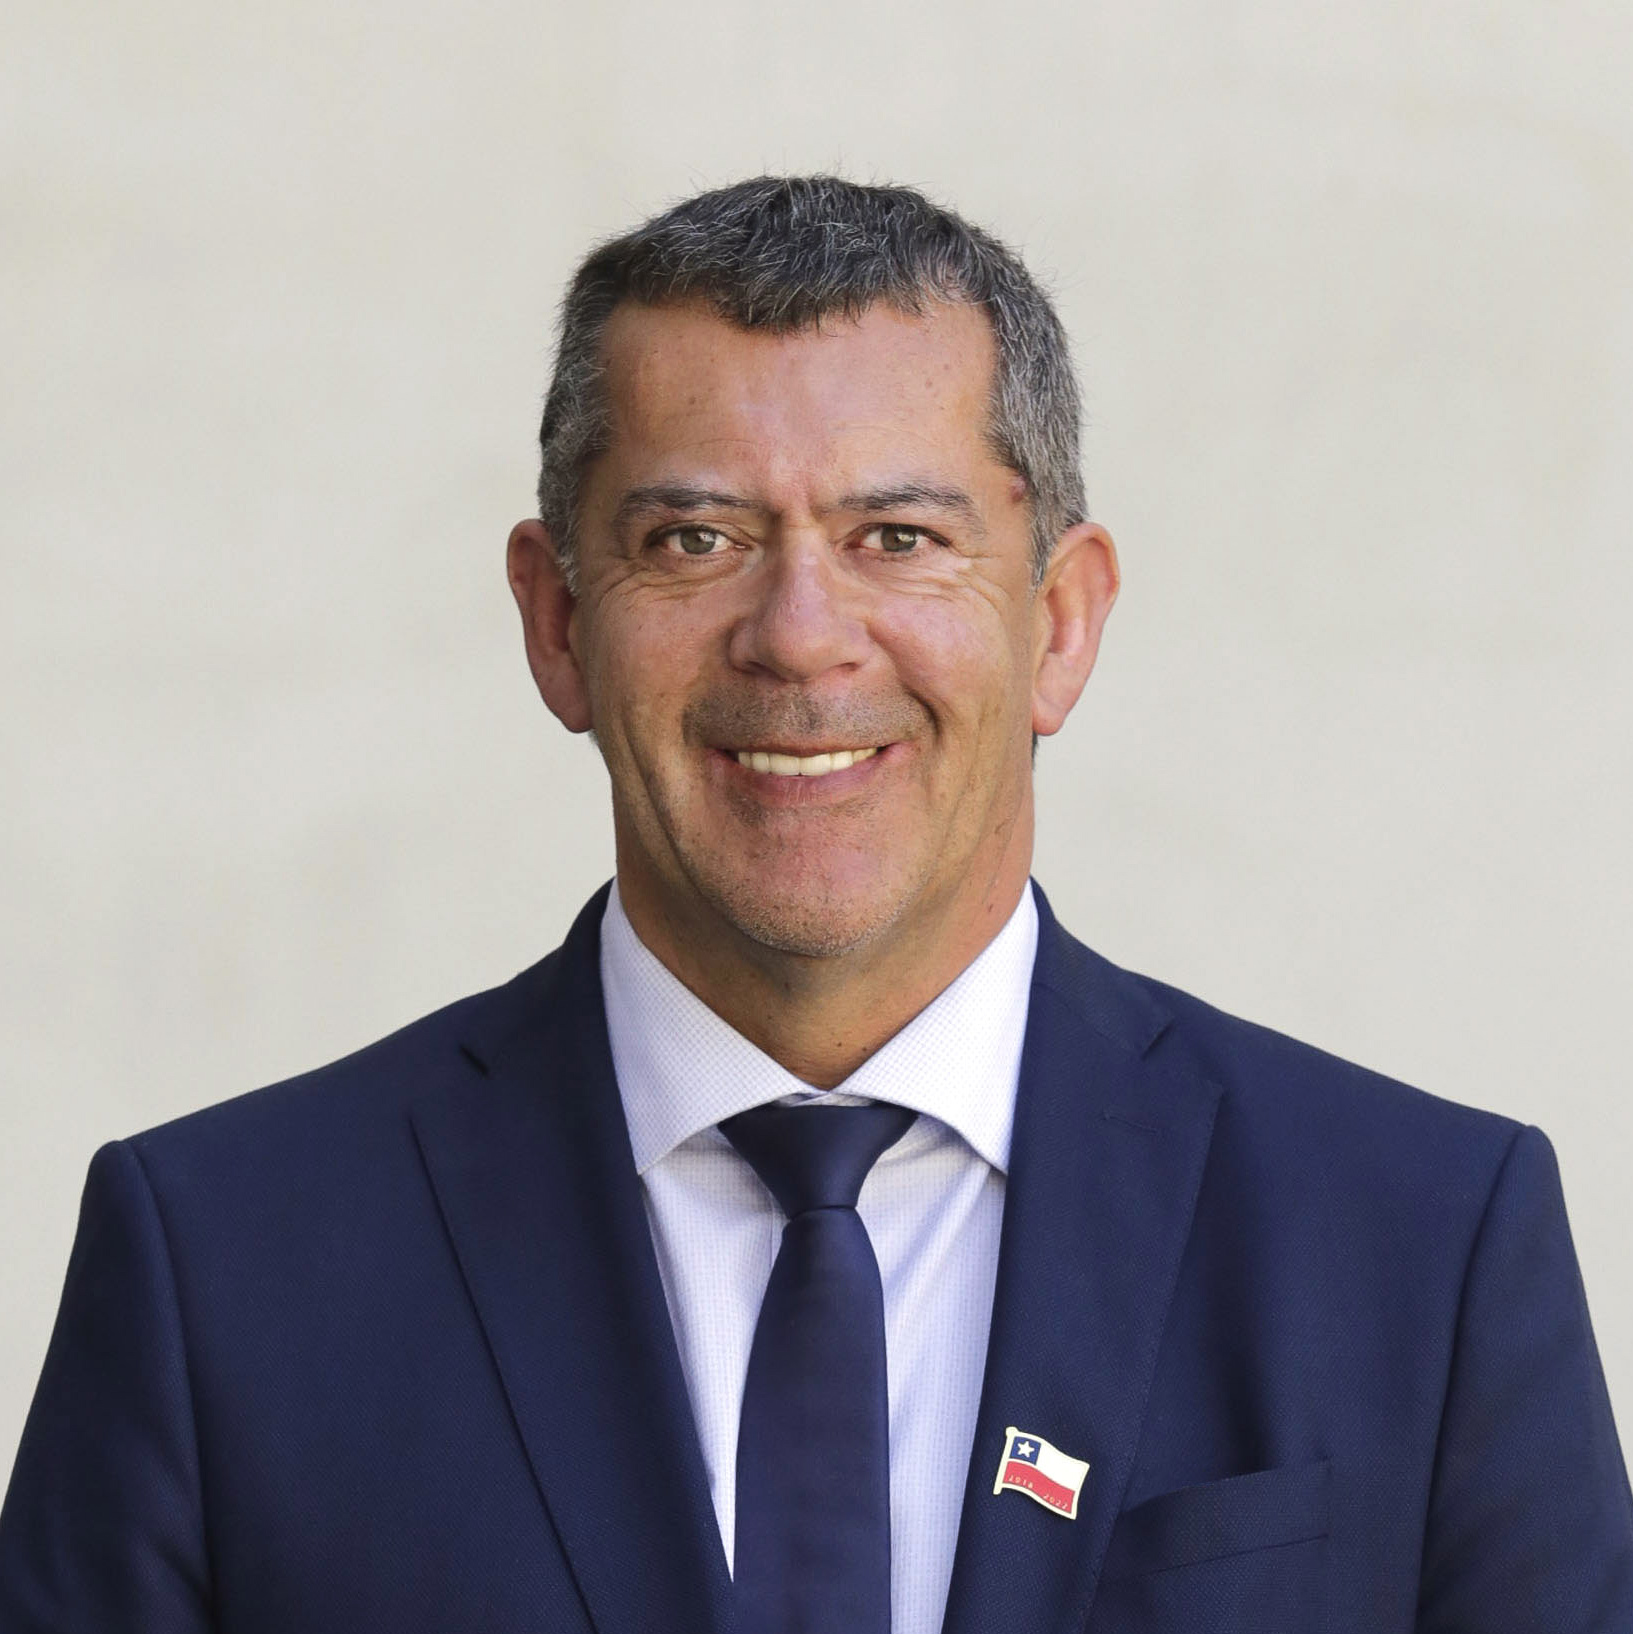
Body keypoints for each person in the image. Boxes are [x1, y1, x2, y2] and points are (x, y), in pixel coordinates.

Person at [1, 175, 1628, 1634]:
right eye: (693, 537)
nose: (796, 634)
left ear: (1060, 623)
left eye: (897, 537)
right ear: (556, 623)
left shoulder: (1421, 1246)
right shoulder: (221, 1267)